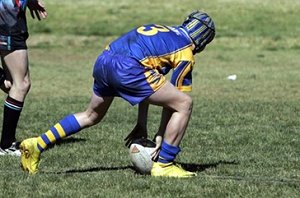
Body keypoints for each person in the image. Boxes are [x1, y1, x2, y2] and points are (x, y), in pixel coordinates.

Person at [20, 10, 215, 177]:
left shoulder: (165, 31)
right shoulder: (185, 51)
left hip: (105, 59)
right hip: (129, 68)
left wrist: (142, 123)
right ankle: (165, 164)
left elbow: (152, 85)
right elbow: (175, 102)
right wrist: (160, 136)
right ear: (203, 41)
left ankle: (36, 144)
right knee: (185, 103)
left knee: (91, 115)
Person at [0, 0, 47, 156]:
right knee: (21, 84)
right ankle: (6, 145)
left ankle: (7, 143)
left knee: (11, 84)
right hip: (9, 21)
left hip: (9, 17)